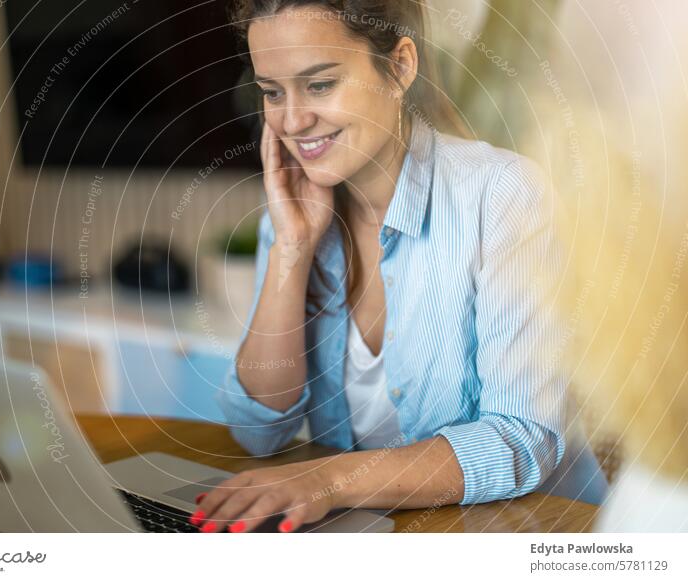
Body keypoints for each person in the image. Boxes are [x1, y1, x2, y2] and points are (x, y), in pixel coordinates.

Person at [192, 0, 605, 534]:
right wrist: (291, 248)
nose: (292, 121)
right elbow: (257, 431)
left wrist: (327, 480)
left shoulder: (503, 195)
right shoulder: (298, 206)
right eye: (272, 92)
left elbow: (521, 439)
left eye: (319, 85)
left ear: (401, 67)